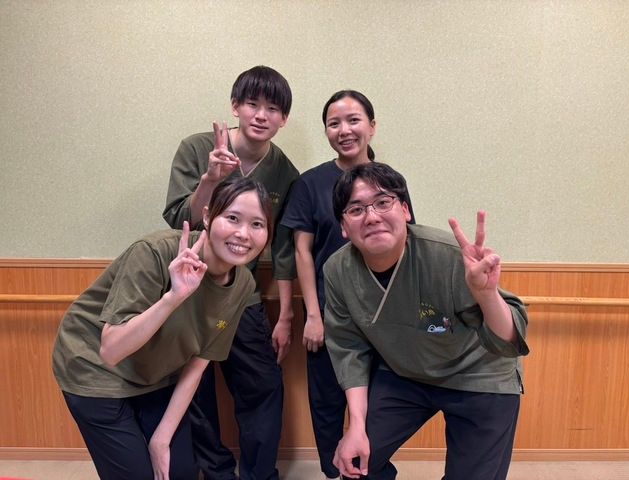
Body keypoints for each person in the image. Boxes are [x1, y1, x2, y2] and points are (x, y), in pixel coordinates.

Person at [52, 177, 273, 480]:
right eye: (232, 218)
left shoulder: (243, 283)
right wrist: (173, 297)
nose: (243, 234)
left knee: (179, 471)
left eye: (257, 224)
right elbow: (111, 349)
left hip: (155, 374)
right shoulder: (154, 252)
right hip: (94, 367)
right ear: (208, 216)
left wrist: (161, 439)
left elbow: (199, 363)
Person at [323, 162, 530, 480]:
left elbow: (507, 341)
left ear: (405, 210)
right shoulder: (338, 271)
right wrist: (357, 427)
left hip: (479, 373)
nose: (372, 216)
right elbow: (348, 350)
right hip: (404, 373)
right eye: (356, 209)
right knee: (357, 463)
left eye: (383, 202)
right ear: (343, 226)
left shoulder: (448, 255)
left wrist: (487, 294)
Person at [163, 65, 298, 480]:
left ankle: (259, 474)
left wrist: (287, 315)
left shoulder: (285, 173)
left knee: (264, 385)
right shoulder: (198, 148)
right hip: (188, 289)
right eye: (252, 104)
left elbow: (284, 248)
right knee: (194, 392)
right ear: (235, 106)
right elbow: (178, 218)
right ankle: (217, 472)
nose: (261, 115)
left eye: (272, 108)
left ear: (283, 119)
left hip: (243, 294)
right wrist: (210, 178)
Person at [280, 90, 413, 480]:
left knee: (378, 403)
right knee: (326, 403)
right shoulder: (309, 184)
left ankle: (371, 470)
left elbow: (406, 242)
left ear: (372, 126)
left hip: (381, 315)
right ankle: (333, 472)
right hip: (329, 311)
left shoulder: (390, 181)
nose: (344, 130)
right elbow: (302, 251)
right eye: (334, 123)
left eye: (354, 120)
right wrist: (312, 315)